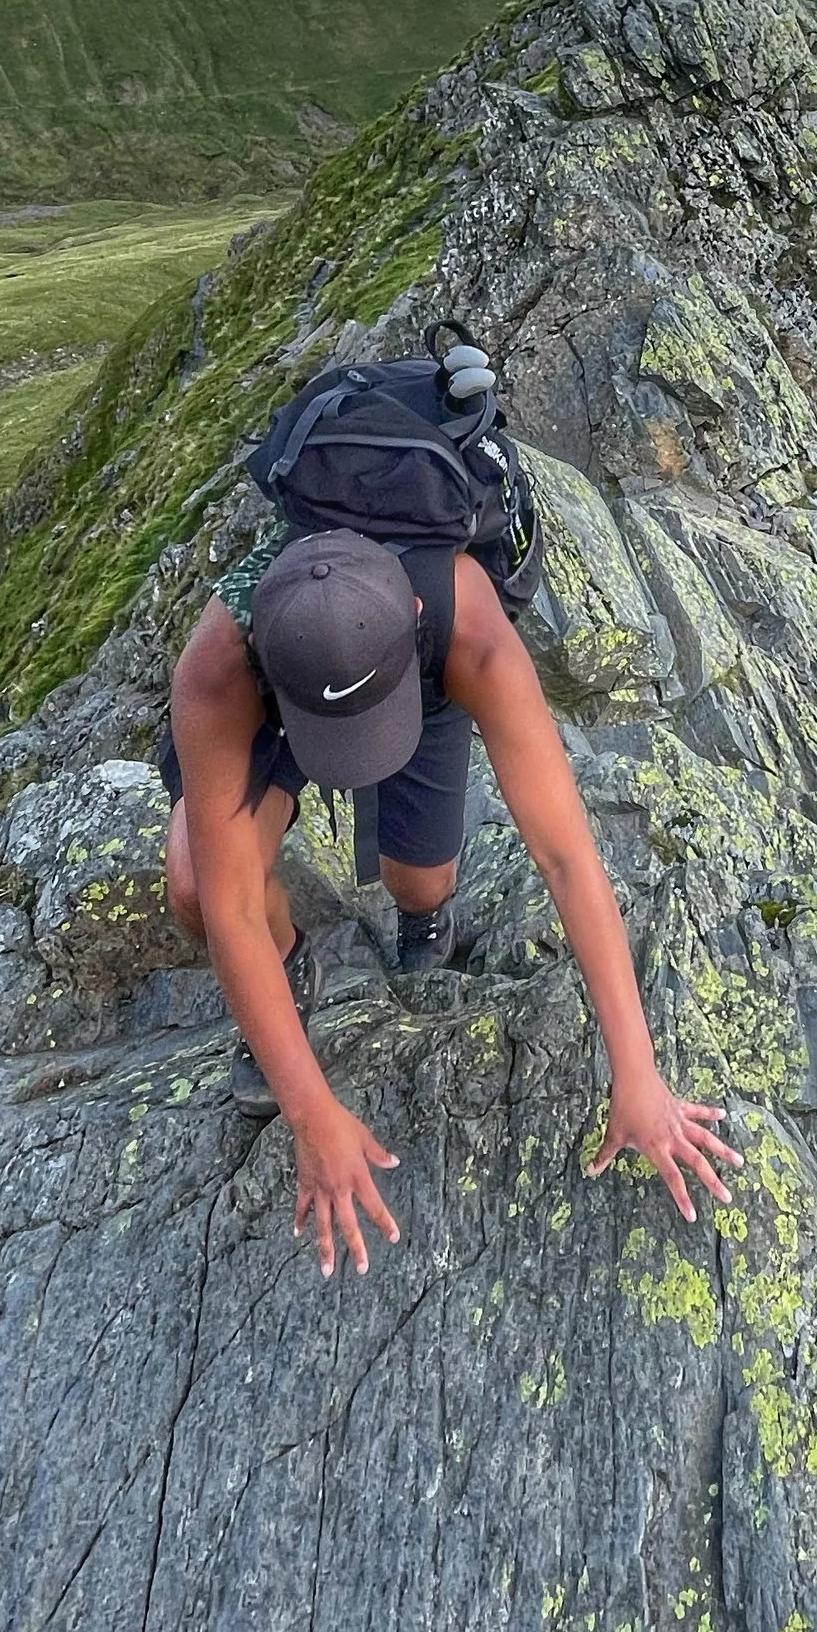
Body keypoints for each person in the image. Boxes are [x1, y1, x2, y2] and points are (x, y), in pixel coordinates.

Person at [164, 519, 739, 1274]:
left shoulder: (467, 621)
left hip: (418, 675)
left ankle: (424, 908)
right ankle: (291, 963)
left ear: (412, 617)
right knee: (195, 886)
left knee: (420, 880)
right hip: (287, 693)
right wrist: (310, 1111)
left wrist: (638, 1070)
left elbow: (566, 856)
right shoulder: (216, 669)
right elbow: (231, 907)